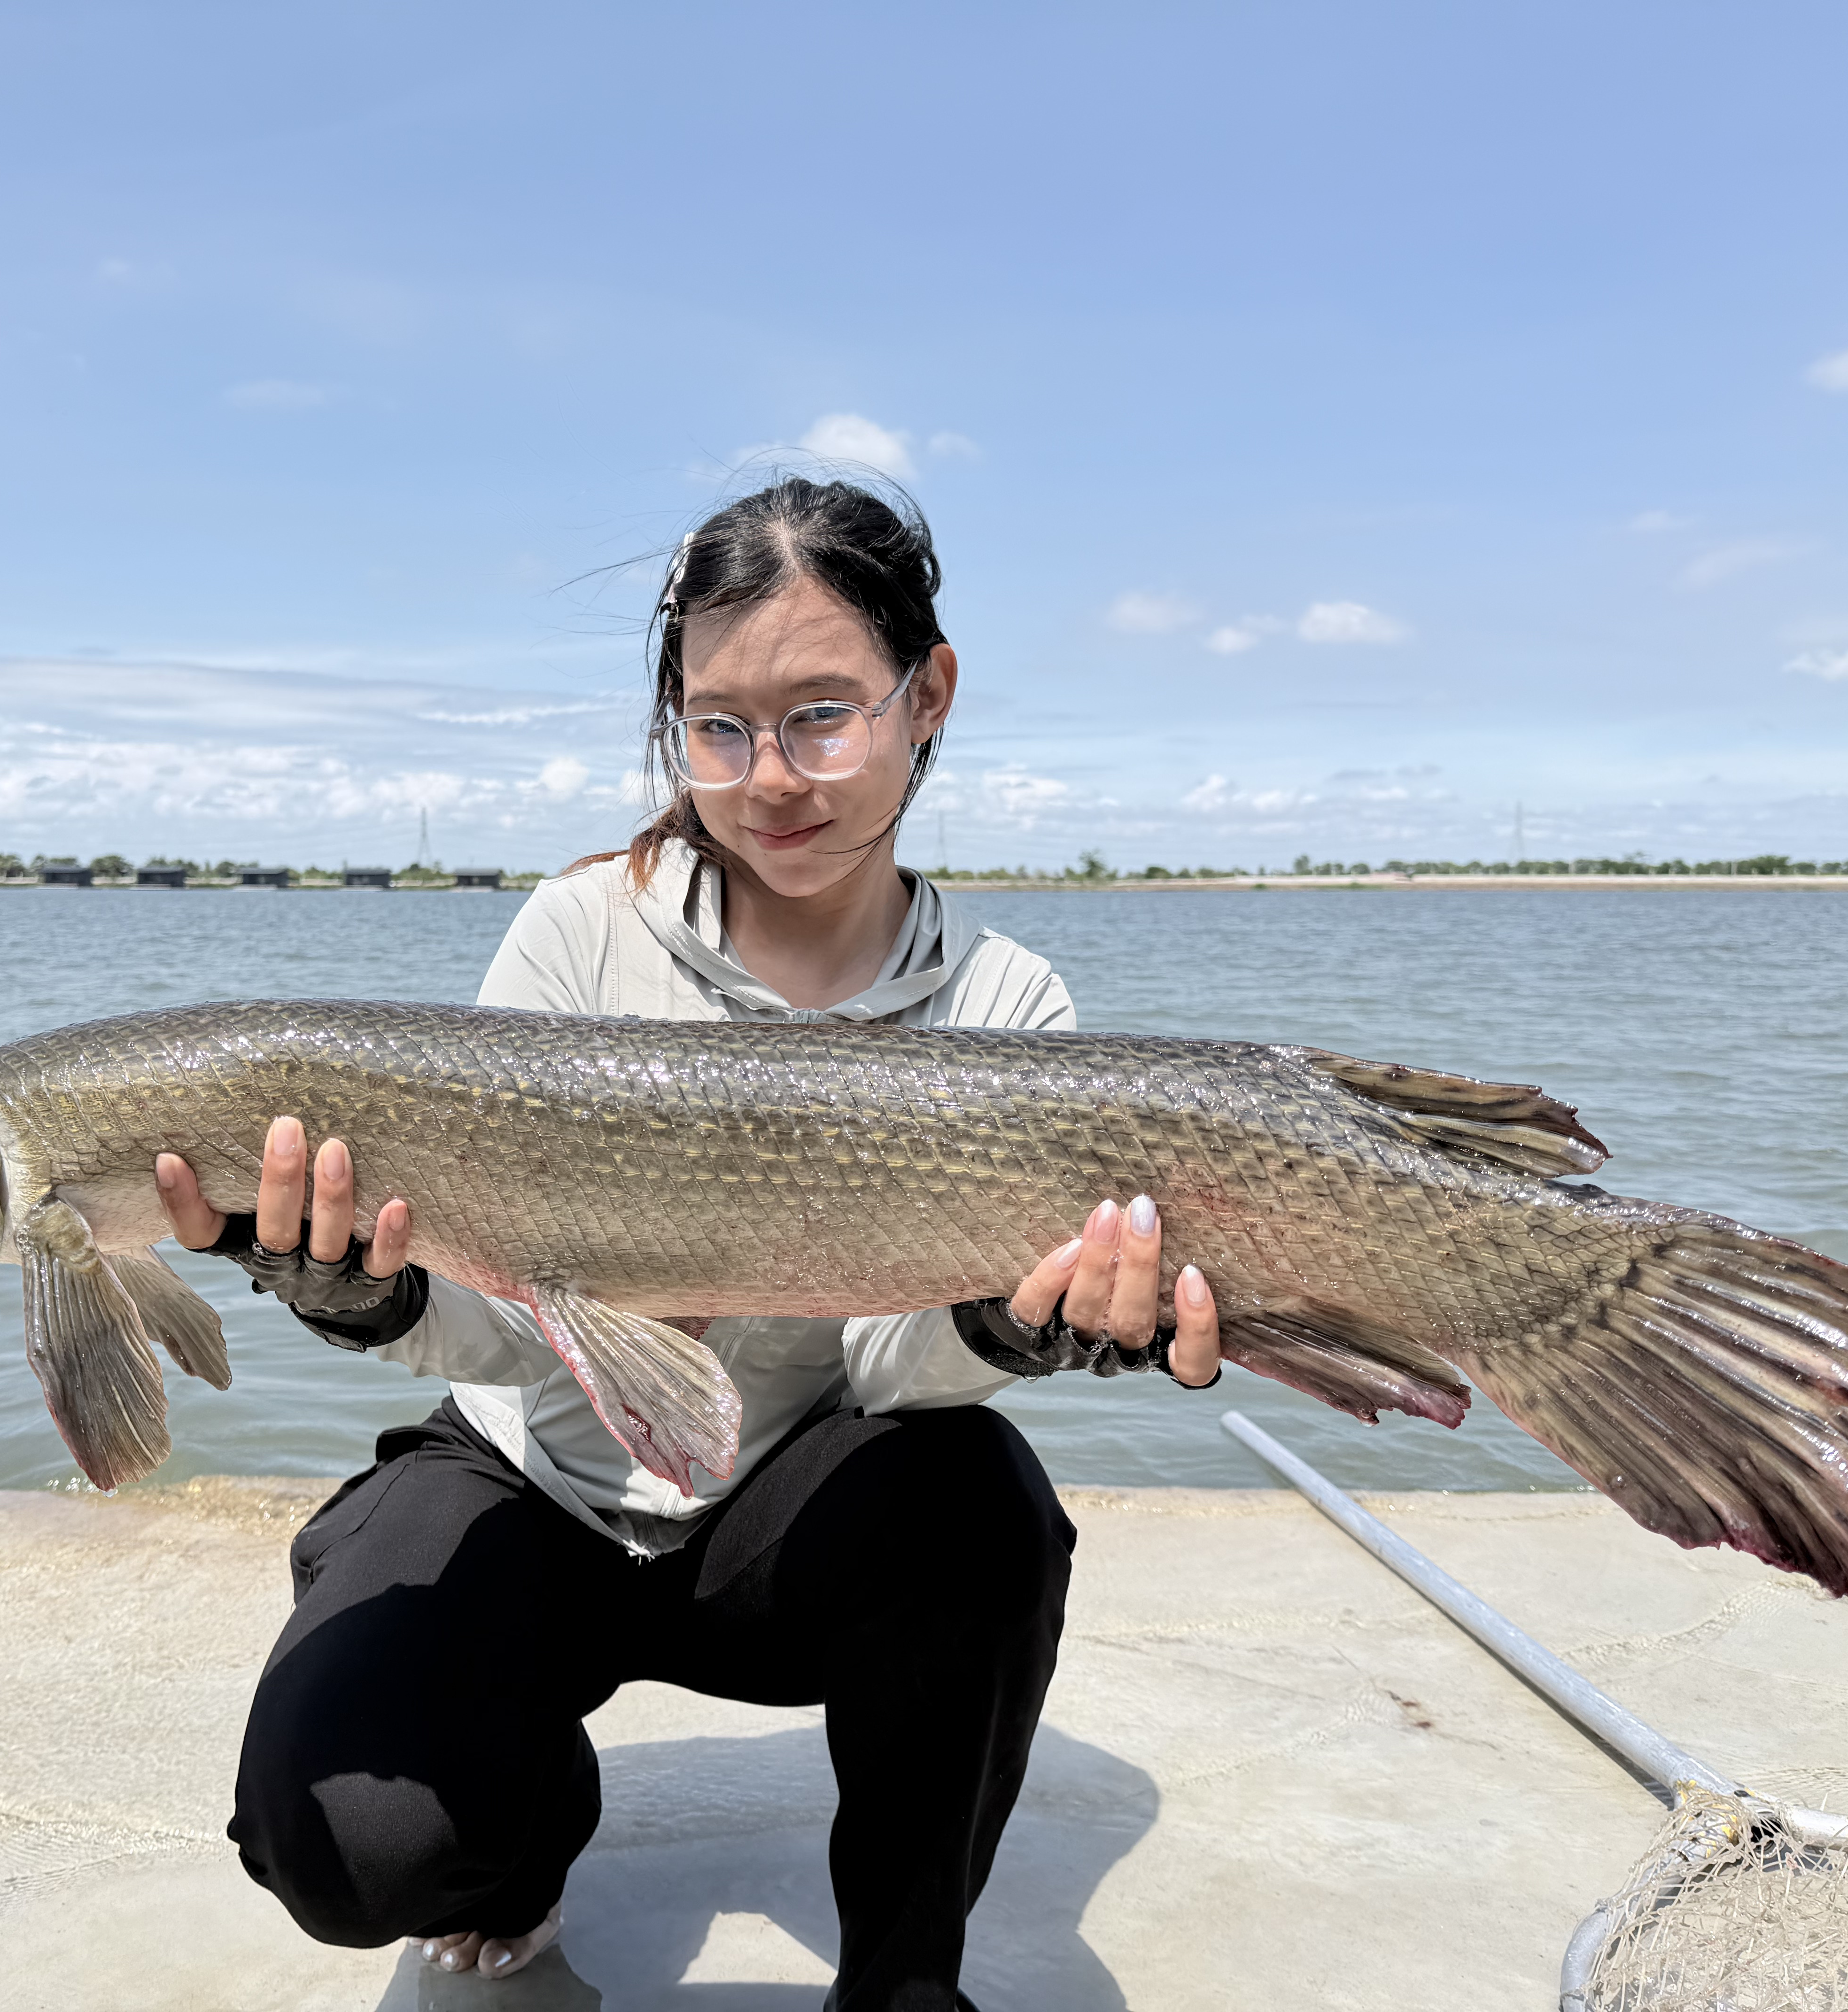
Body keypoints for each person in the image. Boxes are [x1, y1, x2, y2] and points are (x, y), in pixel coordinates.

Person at [154, 476, 1222, 2011]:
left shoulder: (1010, 1011)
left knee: (980, 1504)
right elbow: (513, 1322)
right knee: (346, 1833)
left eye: (823, 715)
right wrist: (372, 1299)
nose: (771, 776)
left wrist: (1012, 1323)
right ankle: (521, 1848)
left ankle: (906, 1980)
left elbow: (884, 1368)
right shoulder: (579, 933)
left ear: (929, 696)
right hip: (541, 1483)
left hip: (794, 1517)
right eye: (719, 727)